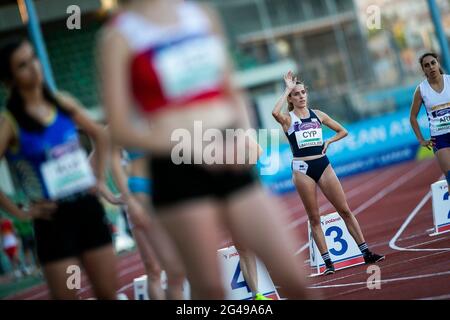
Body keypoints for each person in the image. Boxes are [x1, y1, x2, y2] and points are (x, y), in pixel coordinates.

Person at [98, 0, 309, 299]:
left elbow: (230, 89)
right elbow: (118, 127)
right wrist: (193, 147)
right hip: (177, 165)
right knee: (209, 288)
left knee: (295, 278)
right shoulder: (118, 36)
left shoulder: (200, 15)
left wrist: (245, 136)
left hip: (228, 157)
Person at [0, 37, 118, 299]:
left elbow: (100, 134)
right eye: (22, 65)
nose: (34, 67)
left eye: (33, 58)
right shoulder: (9, 122)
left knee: (108, 293)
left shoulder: (61, 103)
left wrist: (98, 179)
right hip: (52, 220)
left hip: (86, 209)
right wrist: (21, 213)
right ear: (9, 79)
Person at [272, 71, 385, 275]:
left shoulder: (319, 115)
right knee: (314, 218)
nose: (301, 96)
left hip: (323, 165)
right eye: (296, 94)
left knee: (345, 210)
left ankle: (366, 252)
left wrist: (329, 141)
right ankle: (328, 263)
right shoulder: (288, 119)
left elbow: (343, 131)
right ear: (291, 98)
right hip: (302, 169)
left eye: (303, 92)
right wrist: (287, 89)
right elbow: (274, 112)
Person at [110, 145, 186, 300]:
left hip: (171, 185)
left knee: (179, 266)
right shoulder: (116, 125)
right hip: (140, 190)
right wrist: (125, 199)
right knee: (154, 268)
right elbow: (111, 160)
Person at [410, 52, 450, 189]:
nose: (431, 67)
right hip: (440, 138)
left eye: (433, 63)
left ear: (437, 63)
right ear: (423, 70)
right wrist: (421, 139)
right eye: (426, 65)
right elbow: (413, 117)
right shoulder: (421, 90)